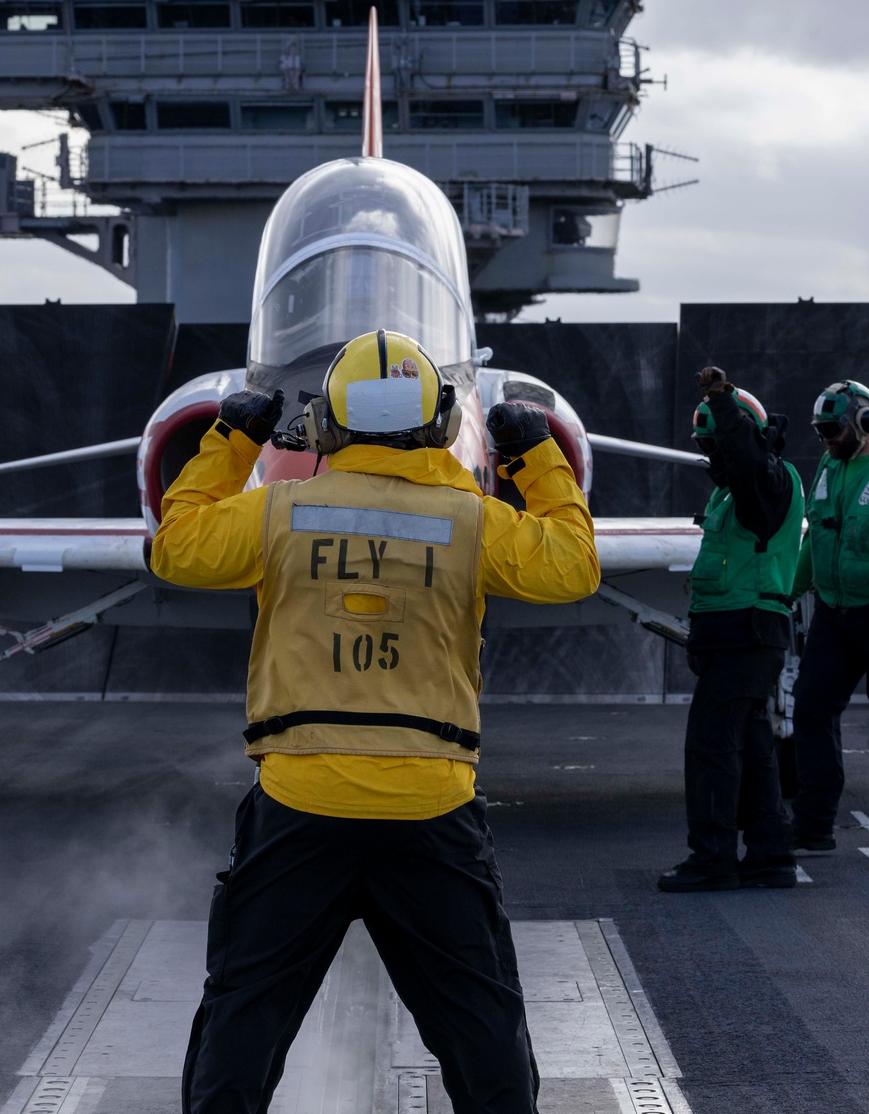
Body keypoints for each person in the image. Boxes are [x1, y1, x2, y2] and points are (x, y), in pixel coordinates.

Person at [151, 329, 600, 1114]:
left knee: (243, 1023)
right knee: (483, 1031)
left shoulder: (280, 514)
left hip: (299, 807)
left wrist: (232, 439)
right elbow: (572, 567)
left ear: (326, 426)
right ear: (438, 424)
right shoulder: (471, 521)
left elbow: (176, 549)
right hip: (431, 812)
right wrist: (537, 459)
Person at [658, 366, 804, 893]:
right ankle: (770, 855)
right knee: (750, 745)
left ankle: (713, 859)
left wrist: (720, 399)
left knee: (711, 748)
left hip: (749, 633)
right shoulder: (733, 495)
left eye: (716, 444)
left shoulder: (767, 482)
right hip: (735, 635)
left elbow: (744, 461)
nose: (713, 457)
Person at [790, 380, 869, 858]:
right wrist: (784, 594)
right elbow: (817, 538)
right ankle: (813, 828)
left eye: (833, 429)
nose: (826, 439)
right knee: (810, 708)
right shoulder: (830, 465)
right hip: (835, 612)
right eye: (821, 431)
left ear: (865, 422)